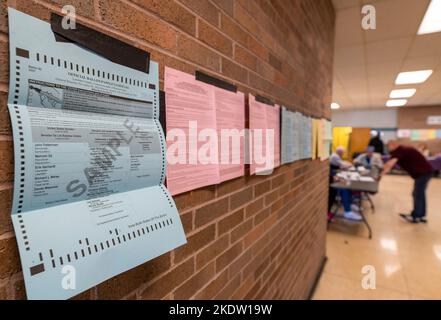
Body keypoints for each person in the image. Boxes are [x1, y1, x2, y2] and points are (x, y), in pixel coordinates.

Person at [382, 140, 435, 223]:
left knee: (417, 194)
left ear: (393, 144)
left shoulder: (400, 150)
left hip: (423, 173)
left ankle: (416, 216)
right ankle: (420, 215)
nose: (388, 148)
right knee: (419, 194)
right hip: (424, 172)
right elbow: (389, 162)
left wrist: (379, 176)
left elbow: (390, 164)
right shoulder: (400, 150)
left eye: (388, 146)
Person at [328, 146, 362, 221]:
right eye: (343, 152)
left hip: (333, 179)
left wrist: (337, 178)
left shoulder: (335, 156)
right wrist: (337, 179)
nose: (343, 154)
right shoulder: (334, 156)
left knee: (347, 184)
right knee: (344, 188)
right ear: (340, 152)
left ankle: (349, 204)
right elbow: (341, 165)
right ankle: (348, 212)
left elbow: (332, 174)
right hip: (330, 184)